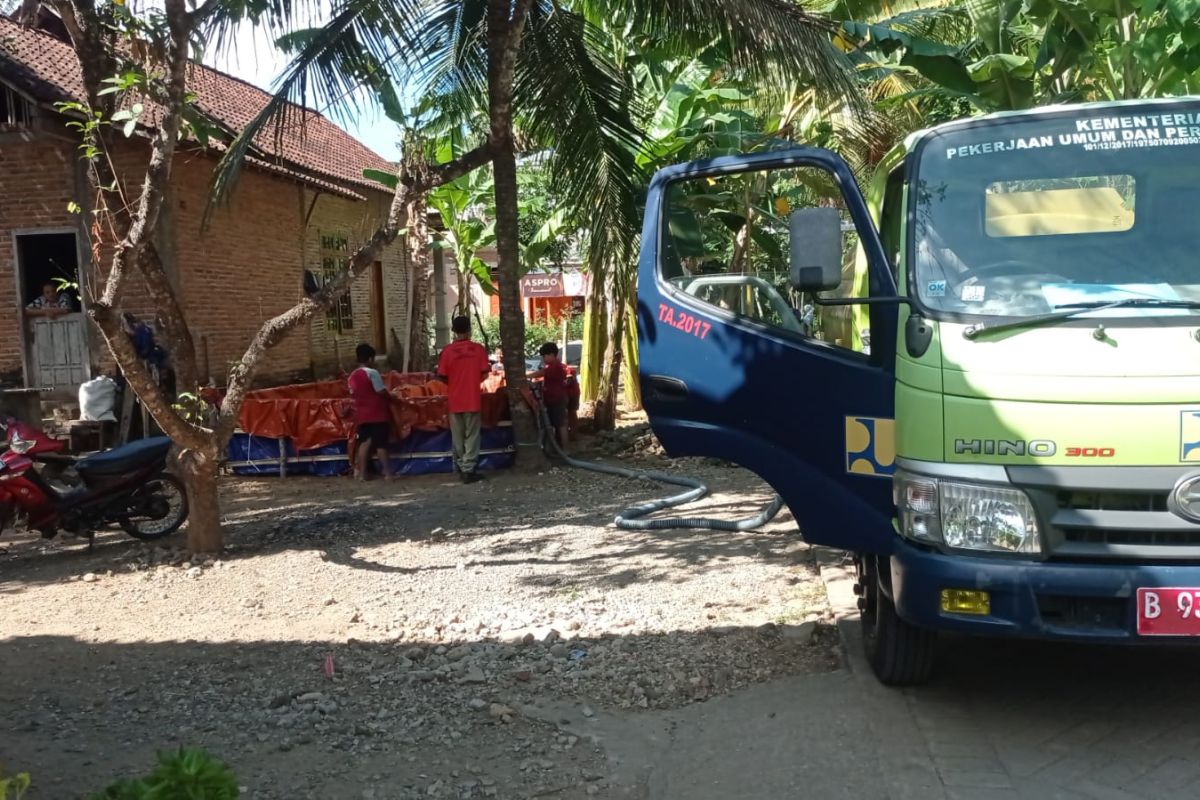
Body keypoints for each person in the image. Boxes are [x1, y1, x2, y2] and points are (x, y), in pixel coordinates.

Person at [437, 316, 490, 483]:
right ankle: (469, 468)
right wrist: (472, 382)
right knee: (472, 435)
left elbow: (442, 376)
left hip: (454, 400)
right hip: (472, 399)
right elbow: (485, 373)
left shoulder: (447, 352)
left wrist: (456, 384)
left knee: (457, 437)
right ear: (469, 329)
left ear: (453, 331)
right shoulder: (478, 350)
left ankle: (461, 467)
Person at [348, 343, 392, 481]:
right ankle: (387, 474)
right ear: (371, 359)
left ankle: (362, 474)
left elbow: (352, 394)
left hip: (362, 415)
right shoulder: (372, 373)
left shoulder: (352, 376)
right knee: (381, 444)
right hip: (378, 414)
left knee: (364, 443)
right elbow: (380, 391)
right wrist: (392, 396)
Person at [529, 342, 568, 452]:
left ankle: (565, 450)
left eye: (545, 356)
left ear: (552, 355)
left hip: (557, 399)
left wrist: (527, 376)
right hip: (551, 399)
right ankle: (554, 449)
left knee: (560, 424)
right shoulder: (552, 366)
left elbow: (542, 373)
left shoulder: (555, 366)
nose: (543, 358)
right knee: (552, 424)